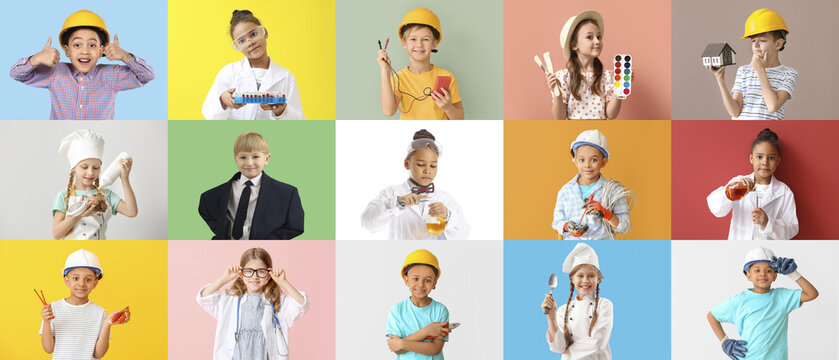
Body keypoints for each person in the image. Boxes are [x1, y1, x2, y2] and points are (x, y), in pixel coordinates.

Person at [10, 10, 155, 119]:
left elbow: (147, 76)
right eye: (77, 45)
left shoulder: (111, 75)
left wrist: (125, 56)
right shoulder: (56, 72)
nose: (84, 51)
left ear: (101, 50)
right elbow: (17, 74)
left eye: (92, 45)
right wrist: (37, 58)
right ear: (67, 50)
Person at [707, 246, 818, 360]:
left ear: (775, 275)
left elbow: (812, 294)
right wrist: (724, 341)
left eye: (769, 270)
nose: (763, 274)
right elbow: (712, 316)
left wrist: (793, 274)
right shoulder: (739, 301)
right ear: (748, 275)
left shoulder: (782, 297)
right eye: (757, 270)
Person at [198, 247, 308, 360]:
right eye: (249, 271)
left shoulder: (275, 300)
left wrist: (283, 282)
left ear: (268, 275)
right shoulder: (230, 300)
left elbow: (301, 305)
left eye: (261, 271)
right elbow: (204, 298)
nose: (254, 276)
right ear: (241, 274)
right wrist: (225, 278)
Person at [361, 129, 470, 239]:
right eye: (421, 164)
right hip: (401, 254)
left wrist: (448, 215)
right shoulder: (391, 193)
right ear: (407, 164)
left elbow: (464, 235)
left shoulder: (445, 199)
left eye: (433, 166)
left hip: (433, 255)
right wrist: (397, 203)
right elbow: (367, 224)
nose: (428, 170)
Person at [199, 131, 304, 239]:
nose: (249, 163)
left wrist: (267, 242)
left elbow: (295, 226)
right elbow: (206, 212)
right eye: (243, 157)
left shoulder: (287, 194)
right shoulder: (212, 196)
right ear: (236, 159)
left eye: (255, 157)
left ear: (266, 159)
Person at [202, 10, 304, 120]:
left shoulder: (285, 77)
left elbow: (298, 122)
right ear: (237, 47)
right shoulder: (229, 72)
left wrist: (281, 112)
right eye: (242, 41)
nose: (250, 43)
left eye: (253, 34)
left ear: (265, 32)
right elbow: (209, 114)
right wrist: (223, 101)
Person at [707, 128, 797, 239]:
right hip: (738, 248)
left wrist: (768, 222)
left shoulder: (784, 192)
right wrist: (730, 194)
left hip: (768, 252)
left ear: (778, 160)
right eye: (759, 157)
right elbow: (716, 209)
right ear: (751, 158)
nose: (765, 162)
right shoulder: (739, 183)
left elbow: (792, 228)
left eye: (771, 158)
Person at [707, 8, 797, 120]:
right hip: (741, 132)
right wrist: (720, 79)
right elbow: (734, 112)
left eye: (763, 41)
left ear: (778, 44)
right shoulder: (743, 71)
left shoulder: (788, 74)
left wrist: (760, 70)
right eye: (753, 41)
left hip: (766, 135)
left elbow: (773, 106)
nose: (756, 45)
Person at [39, 249, 130, 359]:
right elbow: (48, 349)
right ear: (67, 281)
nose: (81, 283)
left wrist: (107, 324)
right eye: (76, 278)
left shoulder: (100, 312)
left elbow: (98, 354)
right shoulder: (52, 309)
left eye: (88, 279)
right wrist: (46, 321)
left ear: (95, 284)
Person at [376, 8, 464, 120]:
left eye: (426, 39)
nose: (419, 45)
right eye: (413, 39)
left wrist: (448, 108)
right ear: (404, 43)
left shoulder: (447, 76)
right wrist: (385, 71)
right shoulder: (398, 78)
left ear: (434, 43)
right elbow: (388, 111)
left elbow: (460, 119)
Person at [52, 129, 137, 239]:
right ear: (73, 168)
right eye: (84, 167)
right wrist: (78, 215)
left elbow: (131, 212)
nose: (90, 172)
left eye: (96, 167)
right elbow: (56, 234)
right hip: (73, 254)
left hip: (99, 253)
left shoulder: (106, 195)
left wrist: (124, 179)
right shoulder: (63, 196)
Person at [546, 10, 631, 120]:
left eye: (599, 37)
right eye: (590, 37)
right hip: (574, 135)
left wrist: (620, 86)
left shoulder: (607, 77)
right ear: (574, 45)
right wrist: (557, 93)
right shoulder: (563, 77)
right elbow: (559, 117)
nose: (597, 41)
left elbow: (611, 114)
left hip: (599, 134)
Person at [552, 129, 633, 240]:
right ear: (575, 161)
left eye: (594, 160)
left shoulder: (614, 191)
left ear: (603, 162)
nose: (587, 165)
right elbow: (557, 221)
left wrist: (606, 214)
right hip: (574, 248)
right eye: (582, 160)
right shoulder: (565, 191)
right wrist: (567, 226)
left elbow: (625, 226)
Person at [542, 243, 613, 359]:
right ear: (572, 279)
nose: (585, 280)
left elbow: (598, 342)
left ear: (598, 279)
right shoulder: (562, 310)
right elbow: (558, 347)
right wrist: (551, 317)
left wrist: (568, 352)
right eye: (580, 275)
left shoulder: (604, 305)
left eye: (591, 276)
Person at [386, 249, 451, 359]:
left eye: (428, 280)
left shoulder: (440, 310)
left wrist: (402, 343)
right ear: (406, 281)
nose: (420, 284)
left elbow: (435, 349)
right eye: (415, 279)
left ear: (434, 283)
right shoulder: (397, 310)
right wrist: (426, 331)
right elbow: (396, 350)